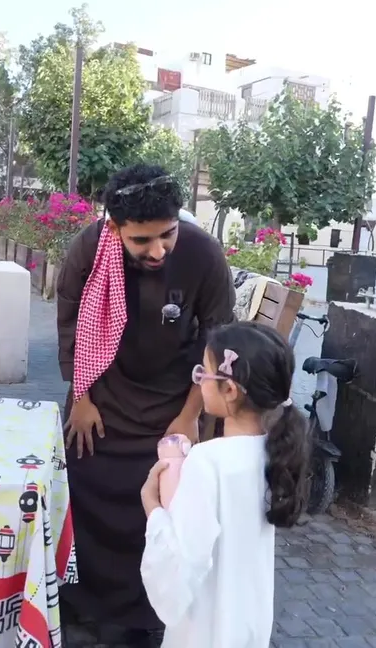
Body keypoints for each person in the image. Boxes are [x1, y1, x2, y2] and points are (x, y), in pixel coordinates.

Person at [56, 163, 235, 647]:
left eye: (167, 234)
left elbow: (217, 341)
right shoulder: (88, 250)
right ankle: (84, 607)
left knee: (158, 508)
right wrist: (81, 398)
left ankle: (145, 617)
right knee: (80, 483)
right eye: (142, 240)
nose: (158, 250)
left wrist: (189, 415)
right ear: (114, 228)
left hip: (171, 402)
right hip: (101, 394)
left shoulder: (202, 254)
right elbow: (70, 326)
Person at [139, 321, 309, 648]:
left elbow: (180, 569)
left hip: (207, 628)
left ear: (229, 390)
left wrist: (153, 508)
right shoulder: (275, 451)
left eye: (204, 373)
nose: (199, 380)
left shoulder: (207, 462)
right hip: (248, 622)